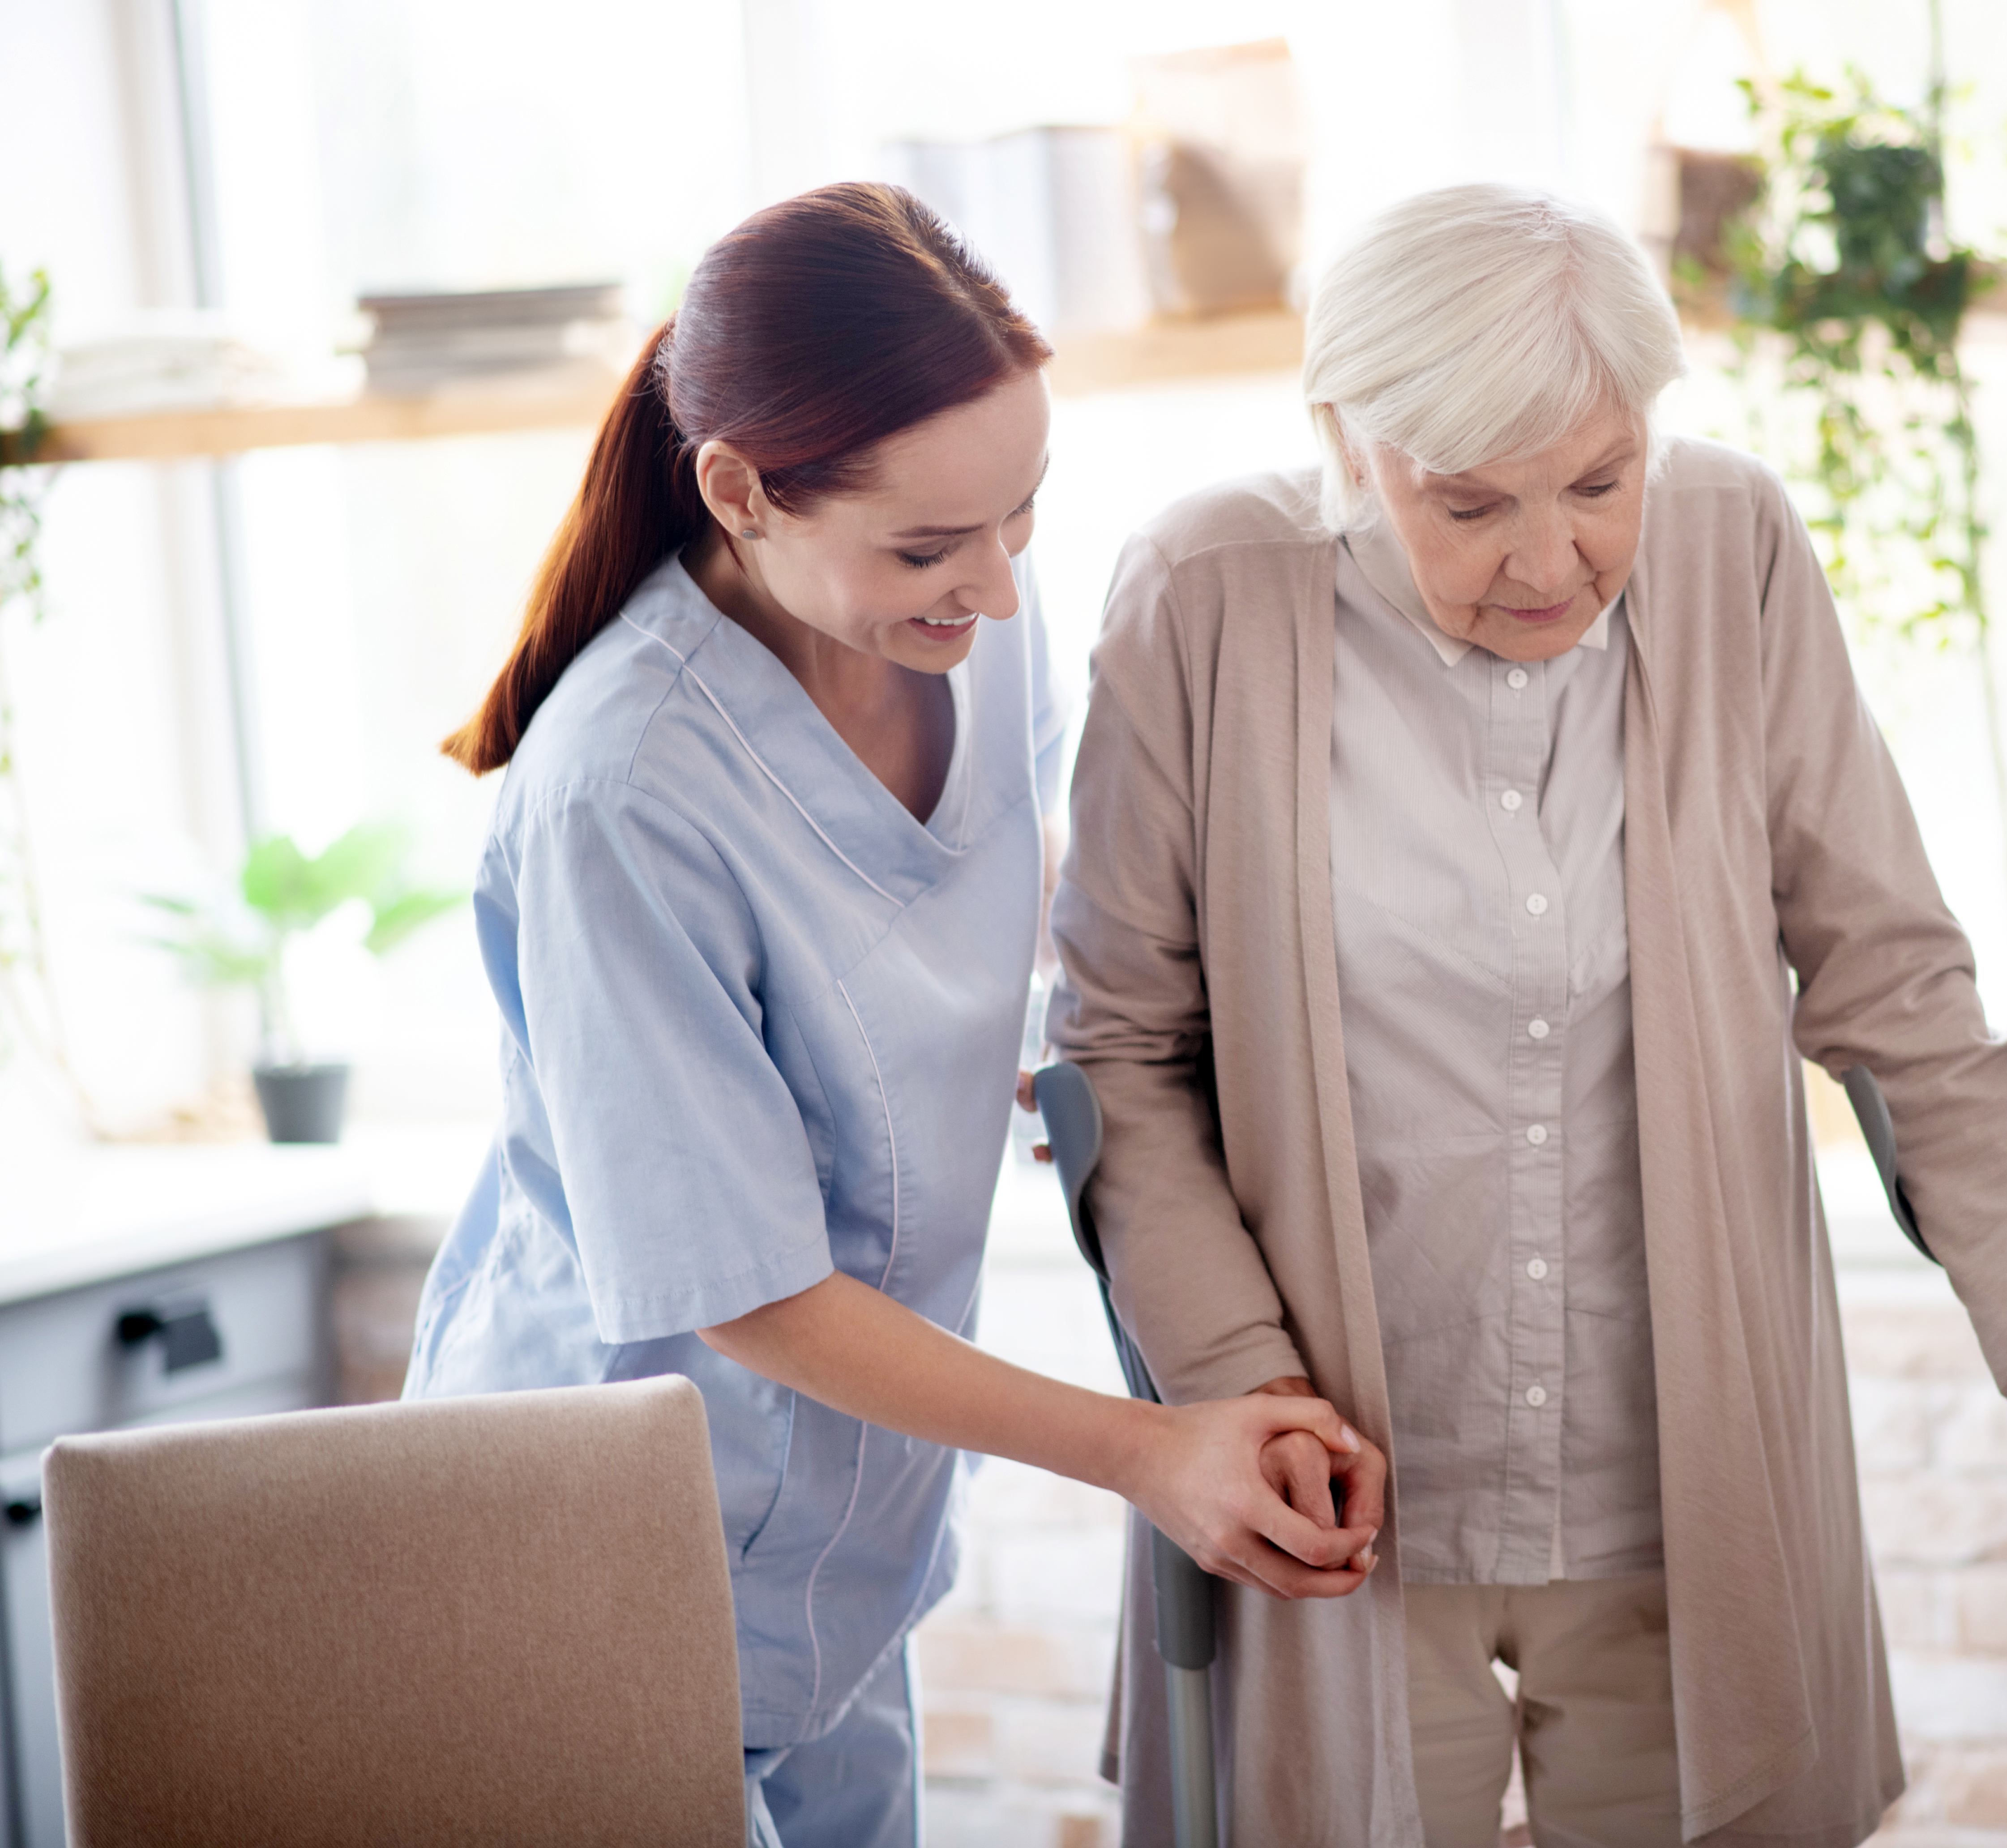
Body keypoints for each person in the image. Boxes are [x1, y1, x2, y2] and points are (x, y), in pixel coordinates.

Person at [1046, 183, 2007, 1847]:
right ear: (1345, 440)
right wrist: (1239, 1388)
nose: (1553, 560)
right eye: (1470, 506)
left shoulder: (1732, 549)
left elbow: (1906, 1008)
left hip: (1685, 1485)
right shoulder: (1205, 593)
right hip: (1337, 1494)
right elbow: (1119, 1061)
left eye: (1600, 482)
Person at [405, 182, 1380, 1848]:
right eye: (931, 544)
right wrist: (1152, 1454)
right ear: (739, 491)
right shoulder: (622, 794)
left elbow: (958, 902)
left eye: (1024, 518)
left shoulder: (967, 625)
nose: (997, 590)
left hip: (846, 1548)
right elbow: (747, 1292)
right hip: (593, 1563)